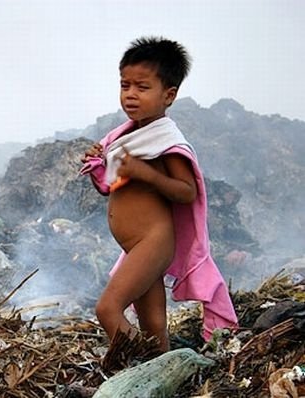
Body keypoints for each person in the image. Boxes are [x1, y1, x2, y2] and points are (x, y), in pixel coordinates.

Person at [80, 37, 238, 356]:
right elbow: (111, 185)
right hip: (136, 246)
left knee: (108, 309)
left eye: (142, 86)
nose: (131, 95)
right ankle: (162, 369)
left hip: (153, 243)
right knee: (154, 326)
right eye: (125, 85)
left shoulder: (166, 140)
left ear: (169, 95)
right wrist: (100, 161)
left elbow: (186, 191)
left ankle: (141, 373)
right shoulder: (126, 137)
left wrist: (145, 173)